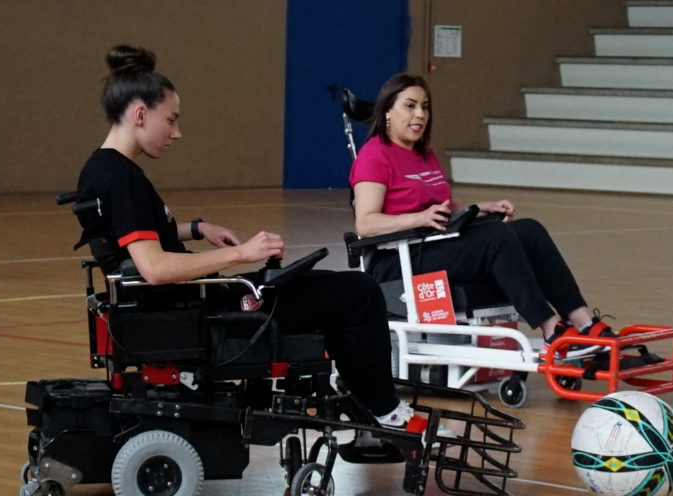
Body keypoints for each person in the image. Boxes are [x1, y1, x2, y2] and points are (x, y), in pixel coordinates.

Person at [75, 45, 412, 429]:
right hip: (202, 310)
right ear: (139, 114)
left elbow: (131, 239)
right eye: (170, 120)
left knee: (326, 287)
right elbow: (155, 267)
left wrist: (198, 229)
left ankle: (363, 397)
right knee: (360, 293)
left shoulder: (100, 169)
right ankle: (383, 409)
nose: (177, 132)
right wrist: (242, 255)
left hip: (181, 304)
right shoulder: (124, 180)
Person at [349, 73, 615, 359]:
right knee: (494, 237)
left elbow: (441, 208)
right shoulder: (375, 155)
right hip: (397, 260)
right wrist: (419, 218)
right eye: (410, 106)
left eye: (425, 107)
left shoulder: (424, 154)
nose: (420, 114)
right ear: (388, 110)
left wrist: (478, 209)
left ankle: (584, 322)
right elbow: (366, 223)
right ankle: (551, 330)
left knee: (529, 231)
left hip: (434, 245)